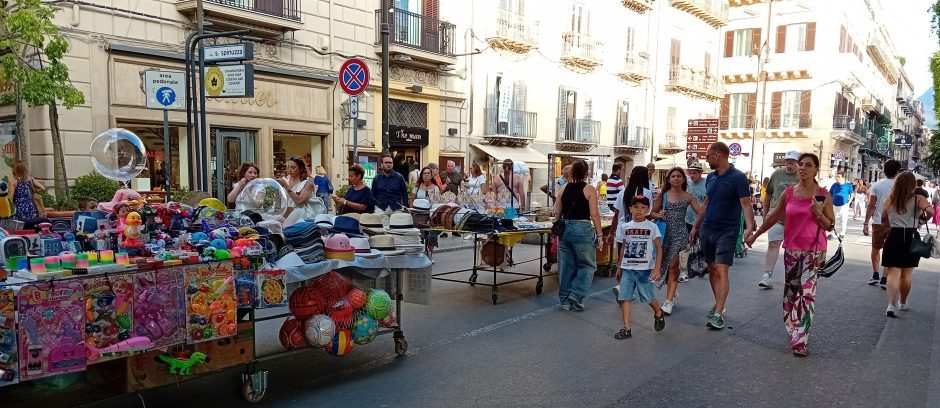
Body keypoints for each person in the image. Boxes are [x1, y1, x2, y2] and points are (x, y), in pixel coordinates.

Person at [746, 153, 833, 356]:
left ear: (816, 170)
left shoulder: (823, 195)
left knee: (807, 293)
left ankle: (801, 339)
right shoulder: (789, 193)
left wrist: (818, 213)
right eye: (801, 164)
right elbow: (773, 216)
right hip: (792, 249)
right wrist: (756, 235)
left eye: (808, 165)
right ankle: (794, 326)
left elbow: (830, 225)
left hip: (815, 250)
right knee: (792, 292)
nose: (803, 168)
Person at [690, 142, 756, 330]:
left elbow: (746, 204)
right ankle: (719, 304)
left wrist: (749, 227)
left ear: (717, 155)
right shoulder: (710, 178)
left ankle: (718, 314)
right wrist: (695, 226)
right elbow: (706, 204)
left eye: (708, 156)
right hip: (707, 229)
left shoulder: (738, 177)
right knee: (712, 269)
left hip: (727, 230)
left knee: (721, 269)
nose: (706, 160)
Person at [881, 172, 935, 317]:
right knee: (906, 274)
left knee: (893, 273)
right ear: (912, 184)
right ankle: (903, 302)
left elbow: (883, 218)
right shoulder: (918, 198)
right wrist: (923, 220)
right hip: (911, 236)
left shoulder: (890, 199)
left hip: (894, 235)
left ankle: (891, 305)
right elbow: (931, 211)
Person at [651, 167, 702, 315]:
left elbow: (700, 212)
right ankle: (672, 290)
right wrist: (658, 215)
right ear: (668, 179)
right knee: (665, 263)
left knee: (673, 266)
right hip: (664, 233)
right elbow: (651, 213)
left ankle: (668, 302)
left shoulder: (688, 196)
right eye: (673, 176)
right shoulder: (663, 195)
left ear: (683, 179)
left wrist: (695, 227)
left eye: (679, 176)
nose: (676, 178)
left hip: (680, 233)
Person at [554, 160, 604, 311]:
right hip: (582, 228)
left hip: (565, 228)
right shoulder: (589, 189)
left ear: (572, 173)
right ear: (586, 173)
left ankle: (564, 301)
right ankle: (576, 295)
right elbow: (594, 214)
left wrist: (558, 227)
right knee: (587, 265)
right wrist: (600, 234)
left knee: (565, 266)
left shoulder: (563, 188)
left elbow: (557, 212)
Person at [614, 195, 665, 339]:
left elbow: (659, 248)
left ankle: (658, 312)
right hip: (628, 269)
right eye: (636, 207)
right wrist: (619, 267)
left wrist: (657, 268)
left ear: (648, 210)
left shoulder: (652, 227)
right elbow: (624, 247)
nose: (639, 210)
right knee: (624, 297)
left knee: (648, 297)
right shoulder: (625, 227)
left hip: (645, 270)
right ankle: (626, 328)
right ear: (630, 208)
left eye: (643, 208)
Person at [757, 151, 800, 289]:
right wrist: (765, 215)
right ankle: (767, 276)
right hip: (776, 216)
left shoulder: (802, 175)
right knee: (773, 244)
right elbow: (768, 195)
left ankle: (792, 278)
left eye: (792, 160)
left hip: (795, 220)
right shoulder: (776, 174)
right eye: (787, 160)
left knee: (793, 249)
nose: (789, 162)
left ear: (797, 162)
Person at [608, 165, 653, 297]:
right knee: (635, 264)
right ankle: (625, 290)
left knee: (623, 261)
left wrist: (611, 232)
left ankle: (624, 289)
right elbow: (647, 215)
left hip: (622, 231)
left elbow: (616, 214)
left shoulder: (623, 191)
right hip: (639, 233)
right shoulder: (646, 193)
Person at [863, 159, 901, 289]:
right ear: (897, 172)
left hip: (878, 222)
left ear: (884, 171)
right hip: (895, 223)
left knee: (875, 249)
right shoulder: (900, 186)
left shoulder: (877, 185)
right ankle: (884, 278)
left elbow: (871, 205)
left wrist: (866, 223)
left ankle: (875, 275)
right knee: (890, 251)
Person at [681, 161, 707, 282]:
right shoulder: (688, 183)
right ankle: (684, 271)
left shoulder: (706, 184)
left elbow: (707, 202)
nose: (692, 175)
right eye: (690, 173)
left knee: (702, 245)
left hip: (701, 220)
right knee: (687, 244)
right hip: (688, 218)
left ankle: (701, 266)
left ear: (700, 173)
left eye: (695, 173)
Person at [829, 171, 854, 239]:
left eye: (839, 177)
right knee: (833, 220)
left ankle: (842, 233)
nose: (837, 178)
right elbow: (830, 194)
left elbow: (852, 194)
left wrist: (849, 203)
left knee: (843, 220)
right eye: (837, 176)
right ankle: (831, 233)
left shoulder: (848, 185)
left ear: (843, 177)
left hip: (844, 205)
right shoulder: (834, 185)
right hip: (834, 205)